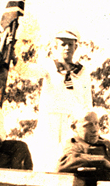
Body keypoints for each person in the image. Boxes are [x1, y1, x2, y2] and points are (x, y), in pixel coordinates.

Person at [20, 29, 93, 171]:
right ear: (55, 47)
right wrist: (16, 60)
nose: (66, 48)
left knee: (70, 155)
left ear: (75, 47)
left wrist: (88, 121)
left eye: (70, 45)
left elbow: (87, 100)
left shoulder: (83, 72)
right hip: (50, 117)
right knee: (46, 154)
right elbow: (27, 71)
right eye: (63, 44)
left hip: (72, 120)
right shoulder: (49, 66)